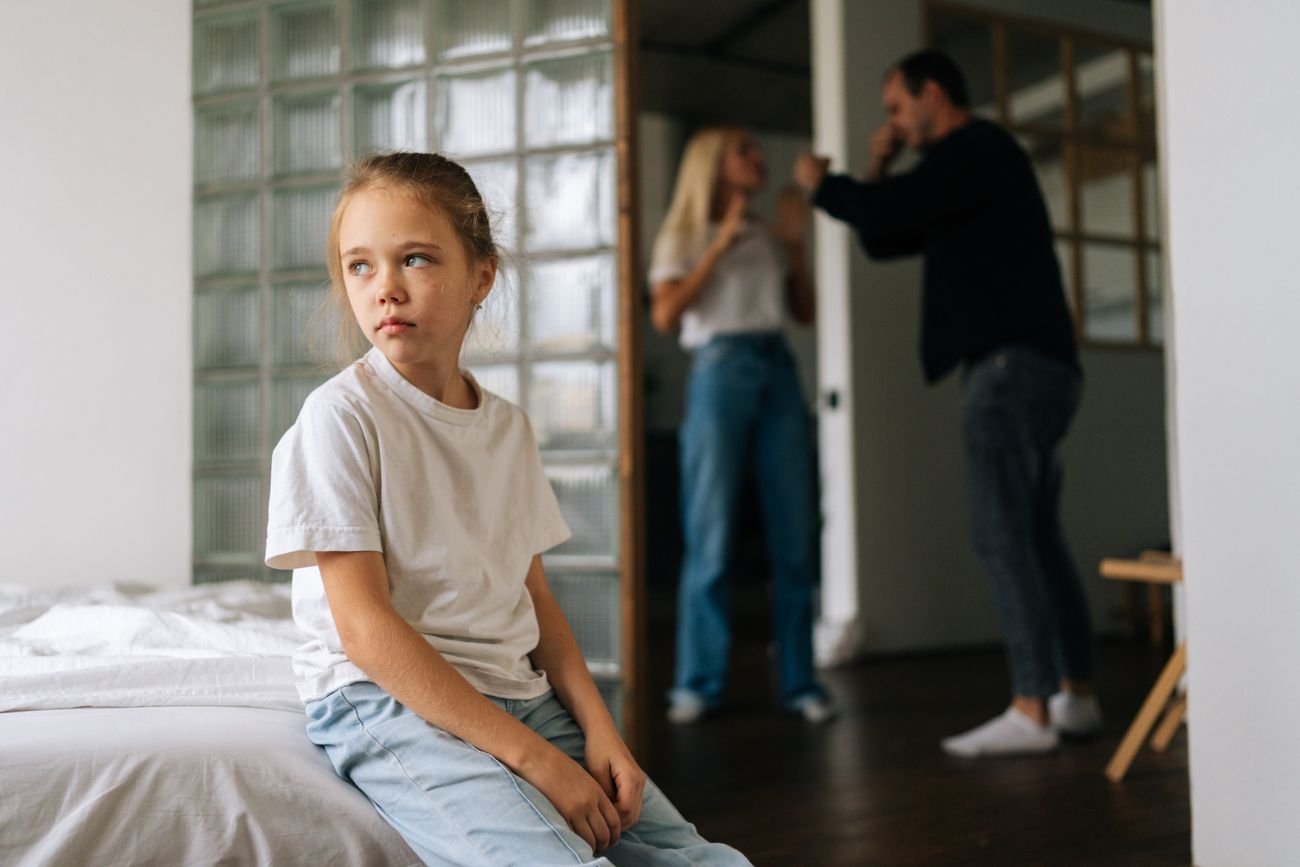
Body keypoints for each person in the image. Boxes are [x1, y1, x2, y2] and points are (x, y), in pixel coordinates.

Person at [265, 152, 751, 866]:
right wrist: (536, 759)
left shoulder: (507, 428)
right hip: (384, 699)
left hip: (515, 692)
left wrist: (602, 732)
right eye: (360, 265)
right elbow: (365, 632)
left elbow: (537, 602)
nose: (385, 288)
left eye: (416, 259)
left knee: (703, 858)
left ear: (481, 276)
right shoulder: (340, 417)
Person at [793, 50, 1102, 757]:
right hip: (1041, 365)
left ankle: (1032, 707)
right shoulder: (967, 170)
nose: (893, 123)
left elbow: (888, 211)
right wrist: (876, 168)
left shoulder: (974, 150)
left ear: (933, 93)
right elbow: (884, 235)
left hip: (1009, 368)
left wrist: (822, 184)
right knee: (1037, 536)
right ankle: (1076, 696)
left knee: (1001, 534)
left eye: (897, 108)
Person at [650, 126, 834, 725]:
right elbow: (665, 315)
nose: (758, 157)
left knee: (794, 531)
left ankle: (801, 683)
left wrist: (796, 245)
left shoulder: (769, 233)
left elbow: (804, 312)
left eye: (758, 148)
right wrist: (719, 244)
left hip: (777, 365)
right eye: (744, 151)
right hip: (719, 368)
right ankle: (698, 684)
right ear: (714, 165)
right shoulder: (684, 234)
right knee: (710, 531)